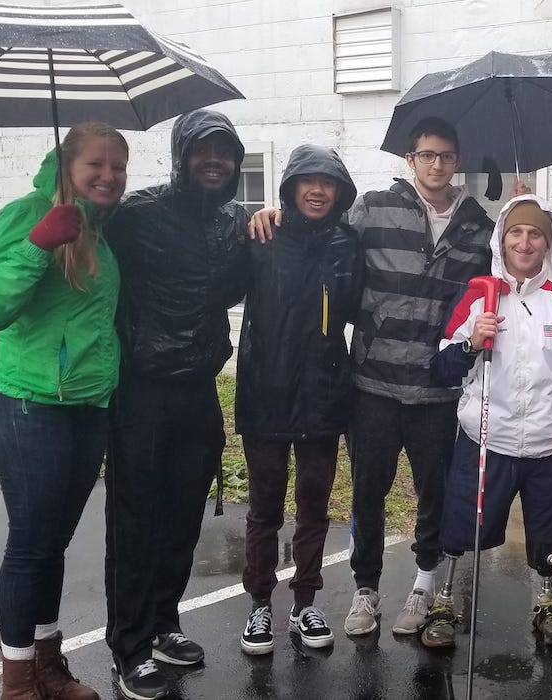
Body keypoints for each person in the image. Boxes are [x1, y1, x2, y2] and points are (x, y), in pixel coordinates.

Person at [247, 118, 524, 638]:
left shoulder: (479, 227)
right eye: (427, 155)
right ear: (409, 159)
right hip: (372, 384)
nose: (437, 164)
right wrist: (275, 216)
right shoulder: (373, 208)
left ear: (457, 161)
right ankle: (366, 590)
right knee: (367, 494)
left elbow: (517, 267)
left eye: (446, 156)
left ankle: (423, 585)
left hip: (438, 389)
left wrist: (521, 214)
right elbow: (319, 234)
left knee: (433, 493)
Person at [0, 122, 129, 700]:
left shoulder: (101, 231)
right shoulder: (26, 214)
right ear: (67, 165)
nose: (109, 175)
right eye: (96, 164)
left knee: (52, 546)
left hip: (86, 408)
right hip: (28, 405)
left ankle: (47, 666)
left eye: (118, 166)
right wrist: (38, 244)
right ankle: (17, 684)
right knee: (31, 546)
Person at [421, 195, 552, 649]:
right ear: (501, 240)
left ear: (549, 242)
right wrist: (471, 343)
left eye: (535, 234)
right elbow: (441, 368)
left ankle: (546, 600)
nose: (525, 243)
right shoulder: (479, 296)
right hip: (487, 440)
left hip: (551, 445)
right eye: (516, 233)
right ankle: (443, 600)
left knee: (549, 529)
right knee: (462, 525)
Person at [103, 109, 250, 700]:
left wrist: (269, 221)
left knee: (183, 518)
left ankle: (164, 623)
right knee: (134, 523)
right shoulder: (136, 214)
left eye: (226, 152)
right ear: (181, 156)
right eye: (203, 150)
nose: (215, 161)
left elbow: (243, 281)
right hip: (141, 390)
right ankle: (130, 646)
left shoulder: (235, 223)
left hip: (198, 390)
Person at [235, 144, 362, 655]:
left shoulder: (348, 244)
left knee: (314, 505)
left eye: (327, 182)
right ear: (290, 187)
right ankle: (259, 604)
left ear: (340, 191)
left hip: (323, 397)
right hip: (265, 394)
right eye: (308, 180)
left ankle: (305, 601)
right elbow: (223, 284)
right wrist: (251, 218)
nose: (317, 190)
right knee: (264, 507)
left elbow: (360, 308)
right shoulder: (261, 236)